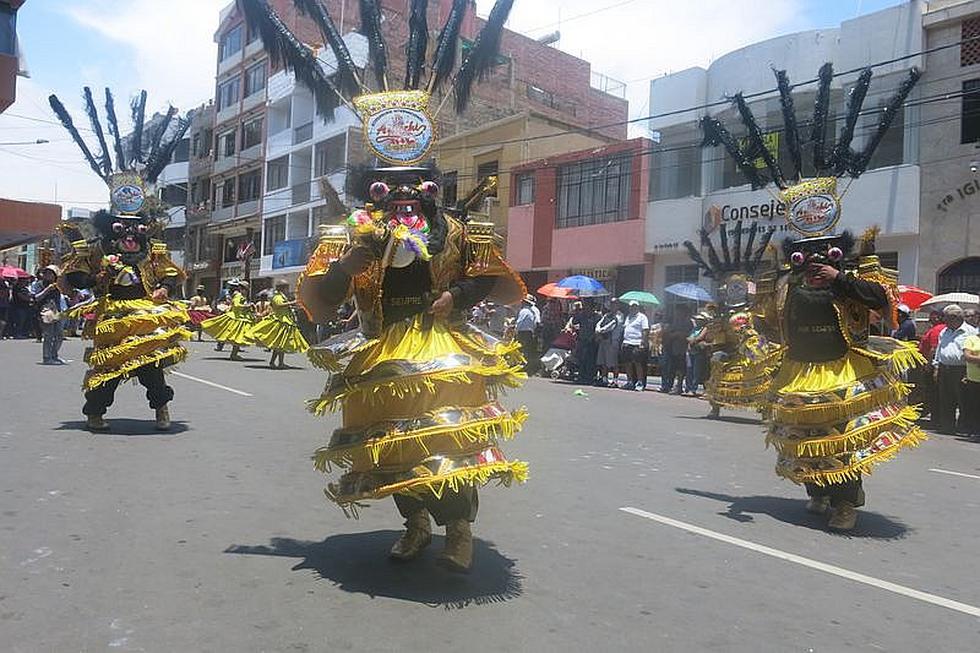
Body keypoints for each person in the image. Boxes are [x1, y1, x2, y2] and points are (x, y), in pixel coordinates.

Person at [297, 165, 527, 574]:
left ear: (431, 189)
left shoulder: (457, 230)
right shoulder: (360, 235)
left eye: (416, 184)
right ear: (376, 192)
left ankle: (458, 531)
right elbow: (329, 298)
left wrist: (455, 295)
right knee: (394, 440)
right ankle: (416, 524)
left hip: (441, 344)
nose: (405, 193)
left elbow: (487, 280)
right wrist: (344, 268)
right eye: (391, 186)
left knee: (446, 437)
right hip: (384, 350)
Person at [932, 304, 978, 435]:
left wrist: (967, 371)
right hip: (944, 367)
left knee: (963, 399)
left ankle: (964, 427)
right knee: (945, 398)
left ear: (955, 318)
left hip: (961, 369)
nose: (944, 320)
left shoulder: (970, 332)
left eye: (946, 318)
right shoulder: (944, 331)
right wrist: (936, 366)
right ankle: (947, 426)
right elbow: (939, 350)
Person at [249, 279, 309, 369]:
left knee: (280, 345)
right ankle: (278, 363)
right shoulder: (277, 296)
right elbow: (279, 305)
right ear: (282, 288)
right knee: (280, 345)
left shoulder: (282, 296)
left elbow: (284, 305)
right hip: (280, 321)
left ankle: (275, 362)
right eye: (286, 287)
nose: (288, 289)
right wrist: (293, 302)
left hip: (285, 321)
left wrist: (294, 305)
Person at [201, 279, 255, 360]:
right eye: (246, 289)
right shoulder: (239, 295)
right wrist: (247, 306)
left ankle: (233, 354)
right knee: (237, 336)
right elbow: (236, 305)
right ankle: (233, 354)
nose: (246, 291)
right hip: (237, 318)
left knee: (237, 337)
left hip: (241, 317)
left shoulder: (240, 295)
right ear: (241, 288)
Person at [32, 265, 68, 365]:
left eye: (50, 273)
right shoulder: (39, 284)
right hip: (45, 312)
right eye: (46, 273)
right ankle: (47, 357)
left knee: (59, 335)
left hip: (57, 311)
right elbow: (36, 297)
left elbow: (66, 293)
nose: (47, 275)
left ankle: (54, 355)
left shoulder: (58, 285)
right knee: (49, 335)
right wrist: (47, 289)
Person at [620, 301, 649, 391]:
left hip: (637, 343)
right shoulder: (628, 317)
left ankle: (640, 382)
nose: (632, 308)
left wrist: (643, 342)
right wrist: (623, 341)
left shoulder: (642, 317)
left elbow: (645, 330)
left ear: (638, 307)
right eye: (631, 307)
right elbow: (625, 329)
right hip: (627, 342)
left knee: (637, 363)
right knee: (627, 363)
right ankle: (630, 381)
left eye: (634, 306)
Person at [570, 300, 599, 385]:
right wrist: (577, 311)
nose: (586, 308)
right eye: (585, 307)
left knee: (590, 360)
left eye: (588, 306)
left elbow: (597, 328)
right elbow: (574, 321)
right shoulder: (582, 315)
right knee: (581, 359)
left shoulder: (596, 316)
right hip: (582, 340)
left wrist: (592, 337)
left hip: (591, 341)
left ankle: (589, 377)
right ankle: (581, 376)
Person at [595, 302, 624, 387]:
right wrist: (597, 329)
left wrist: (600, 331)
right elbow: (599, 323)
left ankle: (615, 381)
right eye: (611, 304)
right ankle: (604, 379)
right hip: (604, 341)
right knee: (603, 361)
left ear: (618, 305)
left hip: (613, 342)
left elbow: (612, 326)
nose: (613, 306)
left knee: (613, 363)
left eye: (615, 304)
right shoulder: (607, 315)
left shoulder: (619, 316)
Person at [515, 294, 540, 374]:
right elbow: (536, 322)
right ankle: (527, 367)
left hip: (522, 332)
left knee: (521, 349)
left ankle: (521, 366)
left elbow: (519, 322)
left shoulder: (524, 311)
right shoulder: (533, 311)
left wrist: (515, 330)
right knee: (527, 350)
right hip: (530, 332)